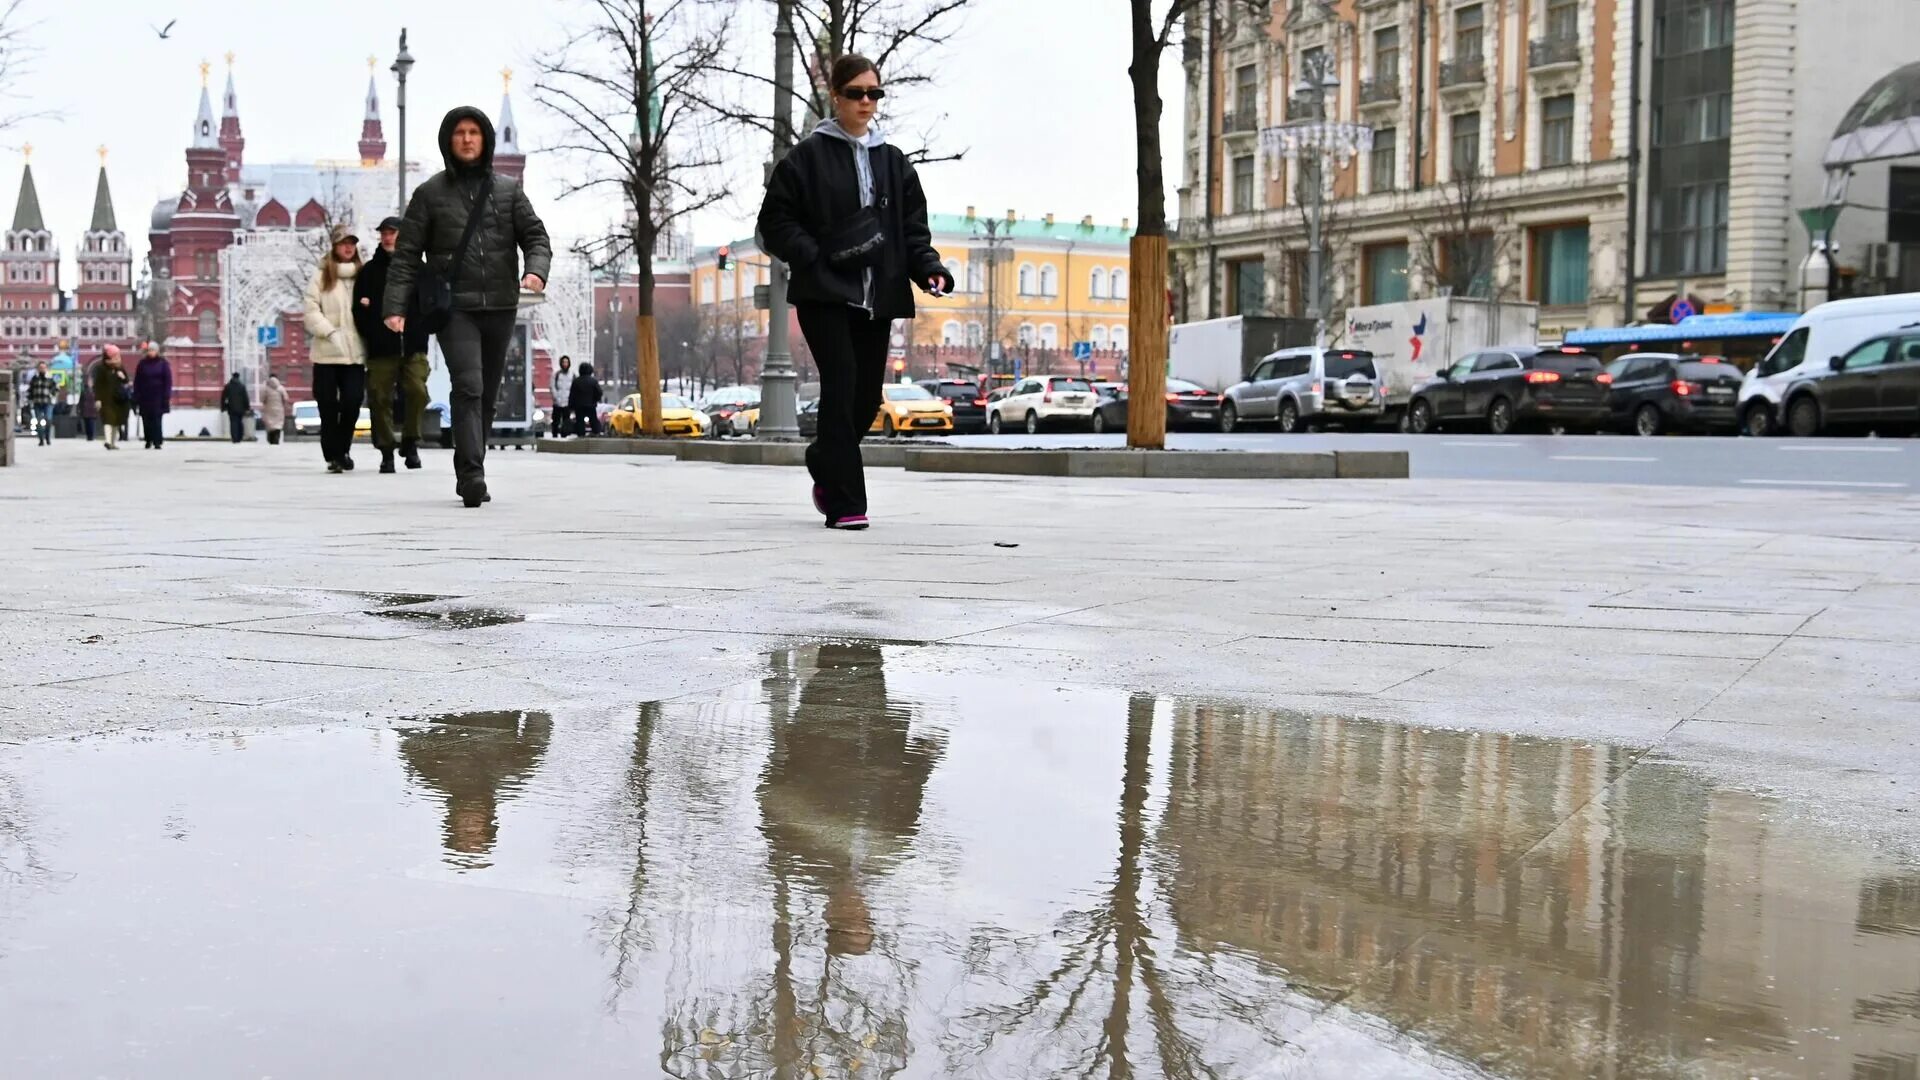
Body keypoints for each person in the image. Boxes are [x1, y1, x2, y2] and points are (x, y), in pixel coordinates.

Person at [756, 55, 951, 531]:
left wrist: (929, 270)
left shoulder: (894, 161)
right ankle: (846, 503)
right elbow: (774, 222)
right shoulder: (806, 158)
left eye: (874, 94)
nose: (867, 102)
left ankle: (825, 458)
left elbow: (912, 230)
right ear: (836, 97)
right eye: (858, 93)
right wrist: (811, 255)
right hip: (825, 293)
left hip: (875, 297)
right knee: (840, 385)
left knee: (865, 399)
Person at [383, 106, 552, 508]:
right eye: (459, 132)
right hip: (455, 307)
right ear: (448, 140)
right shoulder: (430, 194)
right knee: (469, 387)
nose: (467, 139)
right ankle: (472, 475)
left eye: (474, 132)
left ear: (485, 139)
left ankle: (472, 463)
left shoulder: (508, 191)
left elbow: (536, 237)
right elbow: (406, 256)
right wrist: (395, 306)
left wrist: (536, 272)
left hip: (500, 304)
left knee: (487, 393)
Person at [355, 215, 431, 472]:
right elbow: (359, 310)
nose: (387, 237)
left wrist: (419, 328)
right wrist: (374, 332)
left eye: (392, 233)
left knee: (418, 392)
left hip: (413, 345)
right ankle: (386, 450)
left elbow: (429, 305)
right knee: (379, 397)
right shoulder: (370, 271)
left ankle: (411, 441)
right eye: (384, 233)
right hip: (381, 348)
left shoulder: (418, 269)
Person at [304, 223, 368, 473]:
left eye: (352, 243)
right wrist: (329, 332)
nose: (348, 248)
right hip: (326, 353)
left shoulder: (362, 275)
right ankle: (333, 455)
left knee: (352, 403)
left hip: (355, 353)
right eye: (343, 243)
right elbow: (310, 309)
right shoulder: (321, 276)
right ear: (334, 246)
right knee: (327, 406)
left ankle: (343, 448)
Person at [132, 343, 172, 449]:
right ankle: (148, 439)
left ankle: (157, 441)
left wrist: (167, 395)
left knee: (157, 418)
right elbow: (137, 380)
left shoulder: (163, 363)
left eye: (153, 350)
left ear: (157, 351)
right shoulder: (142, 364)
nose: (151, 352)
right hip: (145, 395)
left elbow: (168, 380)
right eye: (149, 350)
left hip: (158, 395)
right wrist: (136, 394)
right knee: (146, 419)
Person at [91, 345, 129, 450]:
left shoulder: (120, 368)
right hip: (106, 399)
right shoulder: (101, 369)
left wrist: (123, 377)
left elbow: (126, 382)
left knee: (116, 422)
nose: (117, 358)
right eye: (115, 356)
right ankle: (107, 441)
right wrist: (98, 399)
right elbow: (97, 385)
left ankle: (112, 442)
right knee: (108, 420)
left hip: (118, 399)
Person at [567, 361, 601, 437]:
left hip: (579, 406)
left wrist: (570, 406)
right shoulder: (593, 381)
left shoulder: (576, 381)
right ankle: (596, 432)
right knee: (593, 420)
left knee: (580, 421)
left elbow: (572, 395)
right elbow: (599, 392)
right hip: (591, 405)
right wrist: (595, 400)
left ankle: (581, 435)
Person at [25, 361, 55, 446]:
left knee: (48, 420)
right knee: (38, 422)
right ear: (38, 369)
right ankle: (41, 440)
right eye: (41, 368)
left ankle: (47, 437)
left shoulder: (50, 378)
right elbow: (30, 390)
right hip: (37, 402)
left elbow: (55, 388)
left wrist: (52, 393)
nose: (42, 369)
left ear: (46, 368)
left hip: (47, 403)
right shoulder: (35, 378)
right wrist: (30, 399)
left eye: (44, 367)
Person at [259, 374, 290, 446]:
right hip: (279, 409)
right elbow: (286, 398)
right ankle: (276, 438)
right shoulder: (281, 388)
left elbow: (262, 399)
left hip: (269, 409)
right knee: (278, 425)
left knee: (270, 425)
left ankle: (271, 439)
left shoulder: (265, 388)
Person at [221, 372, 251, 443]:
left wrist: (223, 407)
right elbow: (245, 398)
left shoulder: (228, 386)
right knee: (240, 422)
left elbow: (223, 398)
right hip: (241, 409)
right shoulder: (242, 386)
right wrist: (247, 408)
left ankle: (234, 438)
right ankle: (239, 437)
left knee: (233, 423)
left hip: (231, 408)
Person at [550, 355, 574, 439]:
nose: (565, 364)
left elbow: (573, 388)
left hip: (567, 402)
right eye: (563, 362)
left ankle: (564, 435)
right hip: (557, 402)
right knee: (555, 420)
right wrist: (555, 397)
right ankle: (555, 434)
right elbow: (552, 386)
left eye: (566, 362)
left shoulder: (572, 375)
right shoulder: (556, 374)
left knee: (566, 420)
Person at [77, 367, 98, 442]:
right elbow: (80, 400)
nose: (89, 383)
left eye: (91, 381)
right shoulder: (84, 390)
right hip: (85, 409)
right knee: (86, 423)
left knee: (91, 423)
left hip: (93, 409)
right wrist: (79, 408)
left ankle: (91, 436)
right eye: (89, 381)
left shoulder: (96, 390)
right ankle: (88, 436)